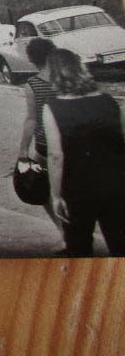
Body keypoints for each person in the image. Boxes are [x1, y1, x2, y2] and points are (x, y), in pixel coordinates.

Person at [42, 49, 125, 256]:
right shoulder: (109, 101)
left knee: (79, 247)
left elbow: (55, 156)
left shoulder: (53, 108)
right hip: (116, 186)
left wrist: (56, 195)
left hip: (77, 190)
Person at [17, 37, 61, 231]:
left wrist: (23, 151)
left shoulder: (33, 84)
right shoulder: (65, 78)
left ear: (32, 59)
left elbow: (32, 120)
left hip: (46, 145)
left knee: (41, 191)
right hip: (71, 141)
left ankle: (63, 232)